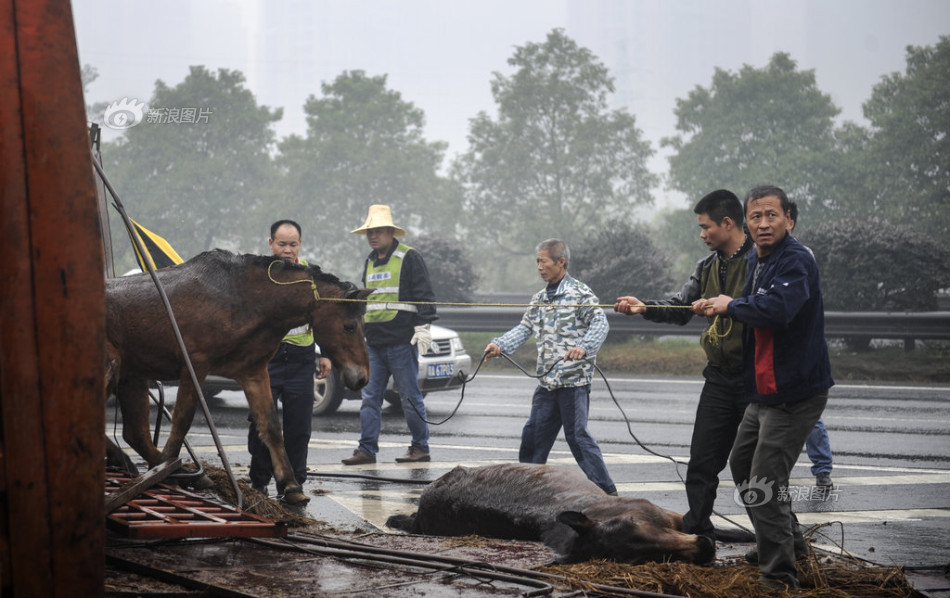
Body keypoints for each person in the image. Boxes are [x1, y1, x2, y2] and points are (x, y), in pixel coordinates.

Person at [704, 185, 834, 591]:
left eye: (771, 215)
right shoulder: (762, 260)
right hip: (764, 391)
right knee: (743, 466)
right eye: (755, 217)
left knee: (765, 477)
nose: (762, 223)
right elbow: (747, 302)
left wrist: (730, 305)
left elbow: (777, 310)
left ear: (789, 219)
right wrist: (715, 303)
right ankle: (786, 542)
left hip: (793, 393)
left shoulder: (795, 260)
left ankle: (779, 575)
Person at [614, 189, 754, 546]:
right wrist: (644, 307)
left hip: (756, 380)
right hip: (719, 378)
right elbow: (680, 307)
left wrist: (731, 305)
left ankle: (778, 537)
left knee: (754, 468)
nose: (702, 234)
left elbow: (770, 309)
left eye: (705, 227)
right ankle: (699, 532)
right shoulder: (706, 267)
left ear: (727, 223)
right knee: (702, 462)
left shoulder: (761, 261)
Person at [484, 239, 617, 495]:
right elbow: (525, 328)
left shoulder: (580, 294)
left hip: (573, 383)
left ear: (561, 262)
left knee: (578, 438)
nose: (539, 267)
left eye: (543, 261)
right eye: (537, 261)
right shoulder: (540, 298)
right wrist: (500, 345)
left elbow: (600, 323)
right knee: (533, 436)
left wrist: (584, 347)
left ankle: (608, 494)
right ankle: (524, 492)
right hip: (547, 383)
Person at [342, 205, 437, 465]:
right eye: (370, 232)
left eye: (378, 231)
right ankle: (366, 450)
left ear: (390, 232)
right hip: (373, 342)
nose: (373, 236)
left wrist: (424, 326)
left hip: (401, 342)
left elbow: (424, 293)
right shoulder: (370, 261)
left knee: (408, 398)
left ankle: (420, 447)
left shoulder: (409, 257)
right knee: (370, 398)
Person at [248, 219, 333, 496]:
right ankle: (258, 482)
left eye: (292, 244)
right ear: (270, 244)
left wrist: (325, 354)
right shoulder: (257, 277)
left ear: (300, 245)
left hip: (301, 360)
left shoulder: (310, 277)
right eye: (282, 244)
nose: (287, 250)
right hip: (267, 360)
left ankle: (294, 484)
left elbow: (322, 319)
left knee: (299, 426)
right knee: (262, 423)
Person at [787, 200, 834, 488]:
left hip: (798, 348)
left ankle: (822, 468)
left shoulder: (802, 255)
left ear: (789, 220)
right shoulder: (759, 256)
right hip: (769, 351)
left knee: (806, 411)